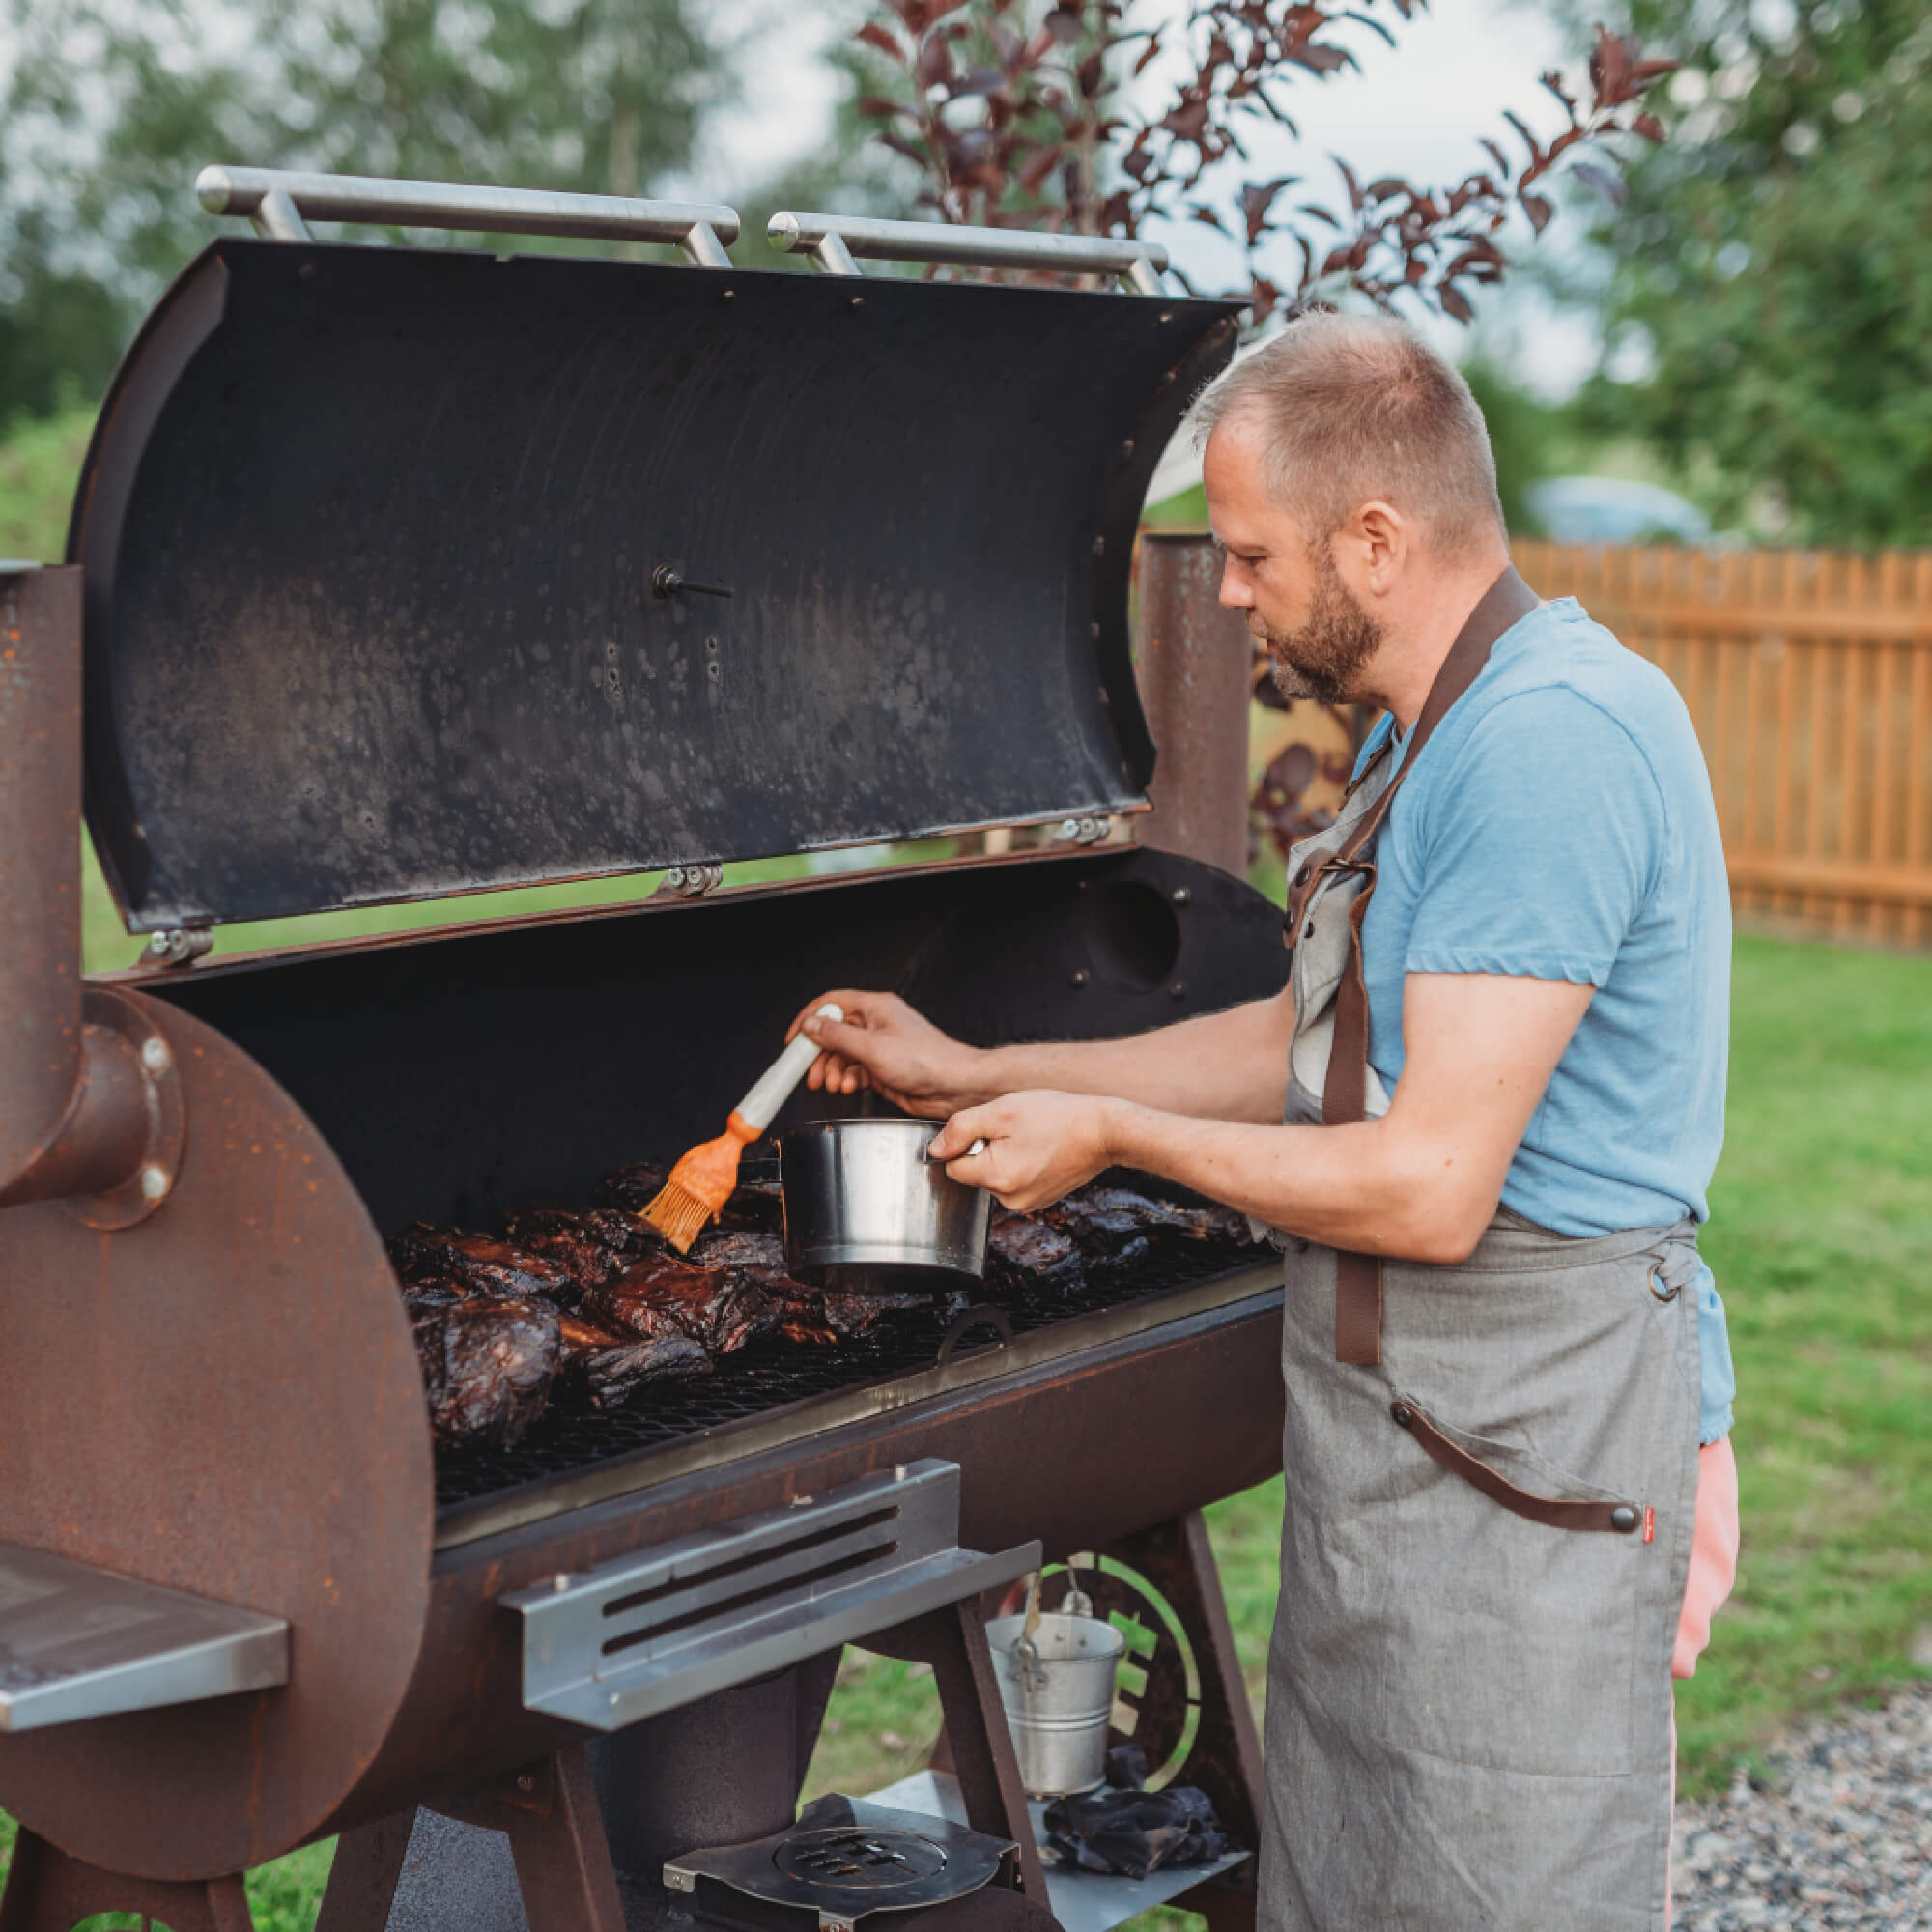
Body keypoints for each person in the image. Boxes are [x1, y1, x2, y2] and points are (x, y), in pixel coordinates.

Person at [789, 310, 1739, 1931]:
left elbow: (1433, 1187)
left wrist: (1111, 1134)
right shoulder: (1428, 735)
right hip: (1409, 1446)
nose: (1225, 595)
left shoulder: (1545, 747)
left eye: (1247, 554)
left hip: (1528, 1446)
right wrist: (977, 1067)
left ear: (1375, 538)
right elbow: (1305, 1048)